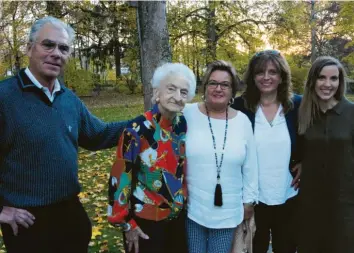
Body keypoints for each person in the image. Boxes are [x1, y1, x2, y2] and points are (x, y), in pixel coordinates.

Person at [0, 16, 129, 253]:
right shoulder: (5, 97)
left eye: (63, 48)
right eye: (48, 45)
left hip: (70, 215)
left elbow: (98, 135)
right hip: (28, 223)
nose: (56, 53)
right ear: (29, 48)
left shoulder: (68, 99)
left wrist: (147, 121)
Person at [107, 62, 196, 253]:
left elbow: (181, 167)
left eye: (183, 92)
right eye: (171, 89)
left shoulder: (181, 125)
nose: (177, 96)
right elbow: (120, 177)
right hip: (144, 223)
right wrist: (126, 223)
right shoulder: (137, 129)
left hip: (176, 219)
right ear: (156, 92)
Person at [183, 60, 258, 253]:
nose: (218, 88)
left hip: (228, 211)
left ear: (233, 90)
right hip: (192, 208)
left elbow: (250, 166)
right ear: (205, 87)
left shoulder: (242, 122)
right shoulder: (186, 113)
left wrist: (249, 201)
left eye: (225, 84)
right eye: (212, 83)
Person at [231, 50, 302, 253]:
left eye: (273, 72)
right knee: (255, 248)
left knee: (286, 247)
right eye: (260, 72)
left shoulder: (297, 105)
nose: (266, 77)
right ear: (253, 76)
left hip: (288, 194)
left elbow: (310, 140)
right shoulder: (240, 107)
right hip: (254, 199)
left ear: (282, 77)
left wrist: (305, 162)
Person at [297, 56, 354, 253]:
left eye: (333, 79)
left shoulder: (351, 113)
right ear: (312, 80)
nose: (327, 84)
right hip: (310, 206)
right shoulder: (303, 113)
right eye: (321, 78)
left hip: (344, 207)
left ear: (340, 82)